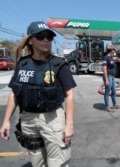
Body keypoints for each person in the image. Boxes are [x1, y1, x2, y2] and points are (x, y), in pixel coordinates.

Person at [0, 21, 76, 167]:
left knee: (57, 163)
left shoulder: (58, 64)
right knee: (37, 163)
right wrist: (6, 121)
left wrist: (69, 125)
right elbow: (14, 94)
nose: (46, 40)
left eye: (49, 37)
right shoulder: (22, 64)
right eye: (41, 36)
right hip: (28, 120)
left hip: (52, 119)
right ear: (30, 40)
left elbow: (70, 95)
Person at [102, 44, 120, 112]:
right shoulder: (106, 57)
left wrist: (118, 59)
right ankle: (107, 107)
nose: (115, 50)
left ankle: (114, 105)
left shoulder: (111, 57)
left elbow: (115, 59)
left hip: (112, 76)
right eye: (114, 49)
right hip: (108, 76)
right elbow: (104, 68)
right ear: (111, 50)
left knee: (113, 91)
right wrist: (106, 79)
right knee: (107, 92)